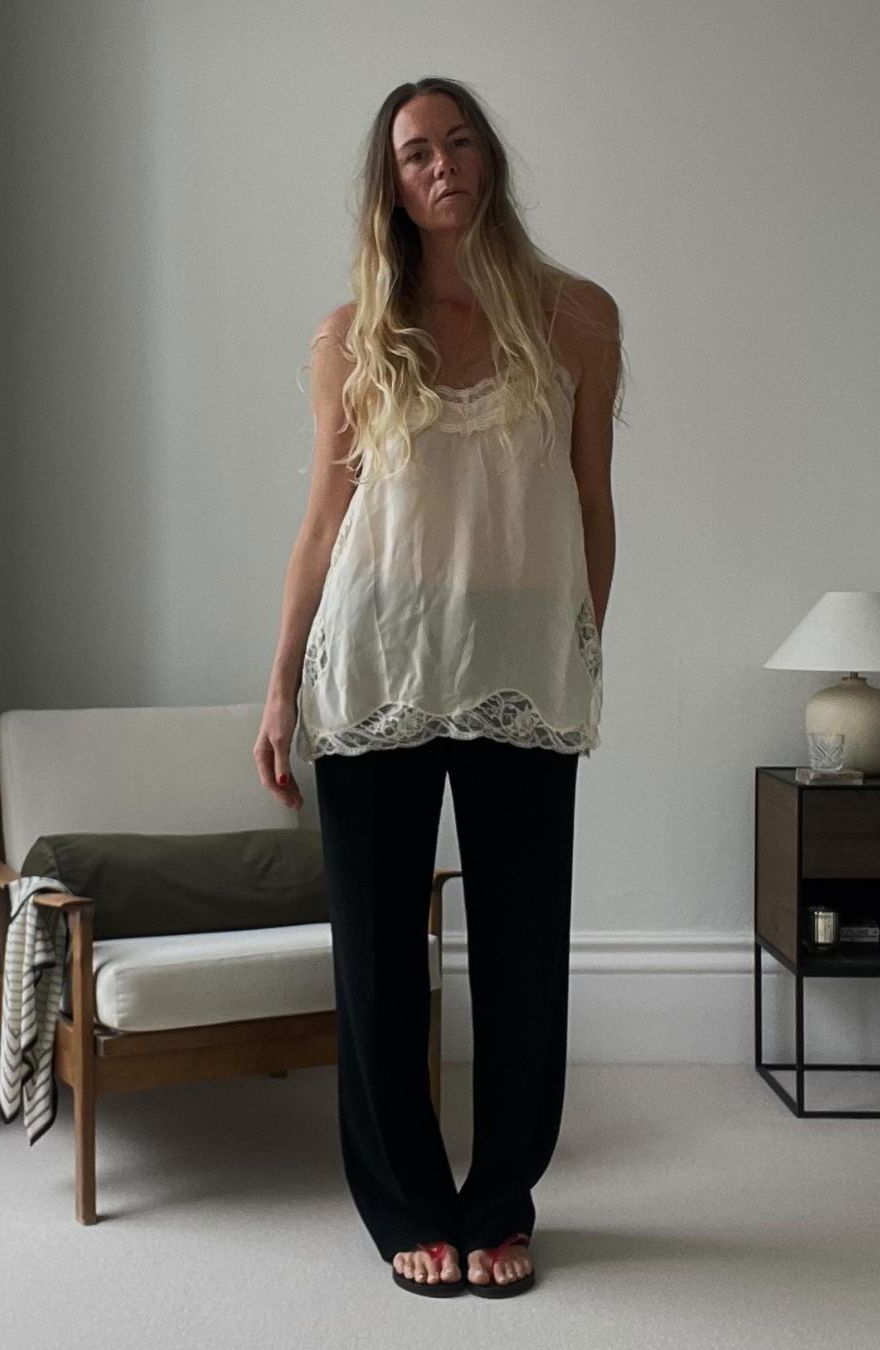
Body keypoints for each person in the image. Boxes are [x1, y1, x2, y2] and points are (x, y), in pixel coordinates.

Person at [254, 76, 621, 1298]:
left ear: (489, 160)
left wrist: (580, 647)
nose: (443, 164)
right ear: (394, 185)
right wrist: (279, 685)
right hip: (374, 663)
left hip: (518, 669)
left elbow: (591, 502)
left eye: (459, 142)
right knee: (377, 961)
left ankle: (501, 1202)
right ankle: (407, 1205)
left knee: (522, 956)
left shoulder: (578, 318)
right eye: (417, 153)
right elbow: (324, 524)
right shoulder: (352, 337)